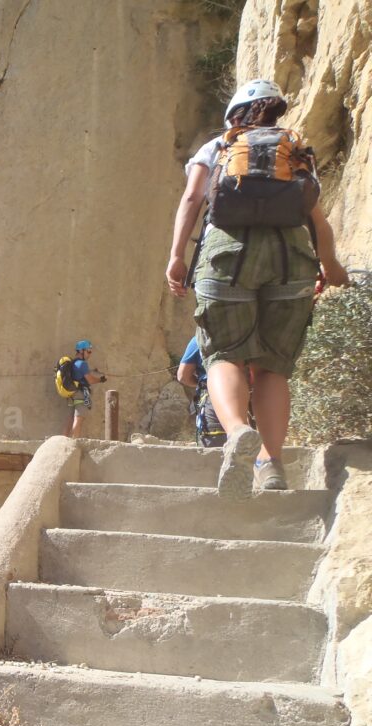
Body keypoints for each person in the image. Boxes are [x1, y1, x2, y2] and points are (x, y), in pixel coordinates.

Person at [165, 79, 348, 495]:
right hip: (292, 258)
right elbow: (316, 217)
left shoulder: (218, 147)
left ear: (234, 114)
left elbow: (193, 199)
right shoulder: (295, 151)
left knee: (224, 354)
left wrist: (177, 256)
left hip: (227, 252)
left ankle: (237, 434)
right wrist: (331, 265)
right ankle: (271, 464)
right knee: (273, 366)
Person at [178, 336, 227, 447]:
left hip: (213, 399)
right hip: (249, 397)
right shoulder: (249, 333)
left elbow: (183, 376)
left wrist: (202, 384)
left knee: (213, 453)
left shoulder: (201, 338)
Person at [63, 339, 107, 438]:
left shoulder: (73, 363)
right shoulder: (82, 364)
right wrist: (100, 380)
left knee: (70, 418)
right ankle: (75, 441)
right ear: (81, 351)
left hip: (71, 394)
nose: (90, 354)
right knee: (79, 418)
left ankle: (63, 439)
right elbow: (90, 380)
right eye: (88, 351)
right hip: (80, 394)